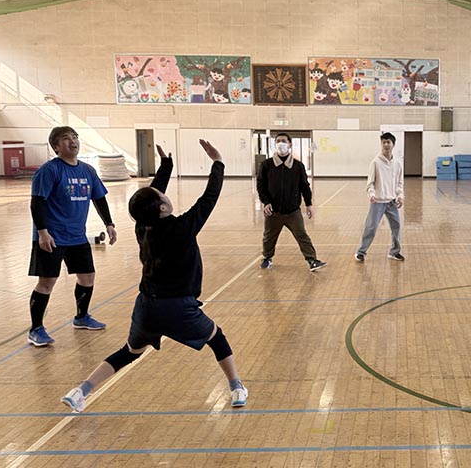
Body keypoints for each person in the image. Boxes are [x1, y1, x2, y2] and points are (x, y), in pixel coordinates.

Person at [61, 140, 248, 413]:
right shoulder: (183, 227)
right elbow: (209, 197)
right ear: (162, 207)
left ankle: (81, 390)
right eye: (162, 198)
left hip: (147, 305)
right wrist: (218, 162)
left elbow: (151, 195)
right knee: (216, 339)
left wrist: (166, 166)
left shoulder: (143, 228)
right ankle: (236, 388)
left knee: (130, 352)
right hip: (178, 307)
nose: (165, 197)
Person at [27, 126, 117, 347]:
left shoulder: (87, 170)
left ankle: (81, 317)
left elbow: (99, 198)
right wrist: (42, 232)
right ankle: (36, 329)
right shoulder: (49, 171)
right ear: (56, 146)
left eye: (75, 137)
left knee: (87, 277)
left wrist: (109, 223)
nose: (72, 141)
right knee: (47, 282)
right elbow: (37, 202)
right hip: (51, 236)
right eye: (66, 139)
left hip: (77, 236)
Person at [256, 133, 326, 272]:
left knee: (302, 235)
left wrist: (309, 204)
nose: (281, 144)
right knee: (269, 237)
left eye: (284, 141)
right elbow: (261, 186)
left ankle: (312, 260)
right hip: (273, 212)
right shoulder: (266, 165)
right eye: (278, 141)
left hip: (293, 212)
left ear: (289, 144)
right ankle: (267, 258)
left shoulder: (298, 166)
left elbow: (304, 186)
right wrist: (266, 202)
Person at [355, 132, 404, 262]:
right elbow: (370, 183)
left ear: (393, 144)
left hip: (392, 202)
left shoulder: (398, 164)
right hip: (378, 202)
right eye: (384, 142)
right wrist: (371, 195)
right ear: (381, 144)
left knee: (396, 227)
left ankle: (394, 252)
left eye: (388, 142)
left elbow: (399, 183)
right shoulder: (375, 163)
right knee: (370, 227)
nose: (386, 145)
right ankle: (361, 252)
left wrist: (400, 196)